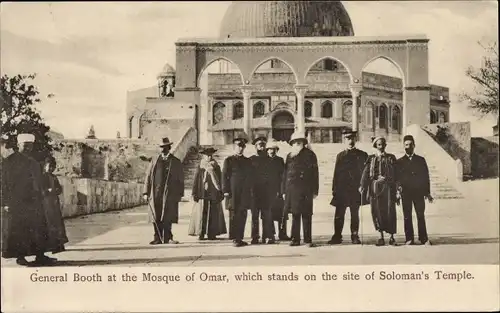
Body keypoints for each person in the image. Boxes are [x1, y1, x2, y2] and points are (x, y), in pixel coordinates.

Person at [1, 133, 54, 266]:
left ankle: (40, 256)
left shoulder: (34, 162)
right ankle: (20, 257)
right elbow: (3, 183)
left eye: (30, 145)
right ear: (18, 145)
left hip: (34, 201)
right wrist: (5, 202)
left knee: (39, 228)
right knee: (20, 230)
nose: (28, 148)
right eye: (25, 145)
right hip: (17, 201)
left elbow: (39, 181)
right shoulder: (9, 162)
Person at [328, 130, 368, 245]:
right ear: (344, 140)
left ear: (355, 140)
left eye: (352, 138)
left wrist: (363, 186)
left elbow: (365, 174)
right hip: (342, 190)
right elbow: (336, 174)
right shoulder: (340, 156)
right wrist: (334, 189)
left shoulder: (362, 155)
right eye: (347, 138)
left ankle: (355, 236)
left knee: (355, 214)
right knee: (339, 214)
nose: (350, 141)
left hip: (355, 190)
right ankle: (337, 236)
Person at [143, 137, 184, 245]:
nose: (162, 149)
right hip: (155, 193)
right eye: (161, 147)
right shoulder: (155, 161)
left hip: (169, 194)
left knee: (168, 216)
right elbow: (148, 176)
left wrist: (180, 194)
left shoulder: (175, 162)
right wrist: (145, 193)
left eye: (165, 147)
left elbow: (180, 179)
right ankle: (157, 237)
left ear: (169, 148)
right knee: (156, 216)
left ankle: (168, 237)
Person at [282, 132, 319, 247]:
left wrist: (315, 190)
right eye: (295, 142)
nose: (297, 143)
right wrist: (284, 190)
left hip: (306, 189)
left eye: (300, 141)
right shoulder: (289, 155)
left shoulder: (310, 155)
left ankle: (308, 240)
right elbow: (285, 174)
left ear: (304, 143)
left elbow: (315, 173)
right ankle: (295, 239)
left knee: (307, 214)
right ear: (292, 144)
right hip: (292, 190)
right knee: (295, 214)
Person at [360, 136, 398, 246]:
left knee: (390, 210)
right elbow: (366, 173)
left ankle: (391, 237)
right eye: (379, 145)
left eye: (383, 144)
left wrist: (397, 187)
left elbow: (396, 174)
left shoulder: (391, 158)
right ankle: (380, 236)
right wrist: (362, 185)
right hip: (375, 188)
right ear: (376, 146)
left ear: (385, 145)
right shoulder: (371, 158)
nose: (381, 147)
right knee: (377, 211)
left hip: (388, 187)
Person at [396, 135, 434, 246]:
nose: (408, 147)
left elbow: (425, 177)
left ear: (414, 146)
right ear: (403, 146)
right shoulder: (400, 162)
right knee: (407, 216)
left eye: (410, 145)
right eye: (406, 145)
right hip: (406, 193)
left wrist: (427, 192)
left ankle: (424, 238)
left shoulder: (421, 160)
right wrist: (398, 191)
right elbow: (397, 179)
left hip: (418, 193)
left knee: (420, 215)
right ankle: (409, 239)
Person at [188, 147, 227, 240]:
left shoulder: (216, 166)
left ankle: (211, 233)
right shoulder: (201, 166)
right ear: (203, 156)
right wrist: (194, 192)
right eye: (207, 155)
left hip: (213, 193)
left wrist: (221, 191)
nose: (209, 157)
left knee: (213, 214)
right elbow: (196, 180)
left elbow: (220, 179)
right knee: (202, 213)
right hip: (202, 193)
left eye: (210, 155)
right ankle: (201, 233)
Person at [222, 137, 254, 247]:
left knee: (243, 214)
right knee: (233, 215)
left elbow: (250, 177)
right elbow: (224, 176)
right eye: (238, 146)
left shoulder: (248, 161)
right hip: (233, 193)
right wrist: (225, 190)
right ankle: (235, 238)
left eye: (242, 146)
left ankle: (240, 238)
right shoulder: (229, 160)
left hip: (244, 192)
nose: (240, 148)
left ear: (244, 148)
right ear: (234, 147)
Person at [249, 136, 274, 244]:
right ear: (256, 147)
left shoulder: (270, 160)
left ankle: (267, 236)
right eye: (260, 145)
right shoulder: (251, 160)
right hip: (254, 192)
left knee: (267, 215)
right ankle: (255, 237)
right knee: (254, 216)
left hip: (266, 192)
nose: (262, 147)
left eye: (263, 144)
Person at [41, 156, 68, 253]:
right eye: (49, 166)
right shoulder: (42, 177)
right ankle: (51, 246)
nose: (51, 168)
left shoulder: (54, 177)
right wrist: (47, 191)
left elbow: (59, 189)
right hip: (46, 203)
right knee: (49, 223)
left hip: (54, 203)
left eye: (53, 167)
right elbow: (41, 190)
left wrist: (56, 190)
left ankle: (59, 245)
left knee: (57, 224)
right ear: (45, 166)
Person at [266, 139, 290, 241]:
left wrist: (282, 191)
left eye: (274, 149)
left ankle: (283, 234)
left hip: (279, 191)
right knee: (269, 214)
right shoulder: (264, 161)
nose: (272, 151)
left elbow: (283, 176)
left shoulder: (280, 160)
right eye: (270, 149)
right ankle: (270, 235)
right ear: (267, 150)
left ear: (277, 150)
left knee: (282, 214)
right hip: (267, 192)